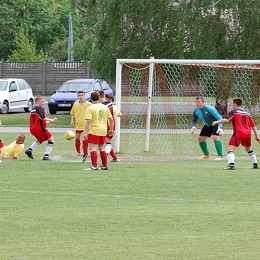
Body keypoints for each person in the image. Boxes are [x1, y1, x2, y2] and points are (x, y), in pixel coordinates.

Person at [212, 97, 260, 170]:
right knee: (249, 149)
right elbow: (253, 125)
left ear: (235, 104)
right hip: (247, 133)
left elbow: (227, 120)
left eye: (232, 104)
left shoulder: (234, 112)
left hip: (239, 133)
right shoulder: (247, 114)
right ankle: (255, 164)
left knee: (230, 149)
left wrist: (217, 122)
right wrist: (257, 136)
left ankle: (231, 165)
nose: (232, 105)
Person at [84, 91, 114, 170]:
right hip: (103, 130)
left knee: (93, 148)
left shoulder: (90, 108)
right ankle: (104, 166)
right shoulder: (105, 107)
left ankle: (94, 166)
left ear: (90, 98)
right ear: (99, 98)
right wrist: (111, 129)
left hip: (94, 130)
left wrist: (86, 132)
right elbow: (111, 119)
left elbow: (88, 121)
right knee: (102, 148)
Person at [25, 95, 57, 160]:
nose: (43, 103)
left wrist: (49, 122)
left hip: (32, 129)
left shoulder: (33, 109)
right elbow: (42, 118)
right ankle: (46, 156)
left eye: (44, 101)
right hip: (39, 129)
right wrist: (50, 119)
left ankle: (29, 150)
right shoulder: (39, 108)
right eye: (42, 101)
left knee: (40, 139)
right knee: (51, 139)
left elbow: (39, 121)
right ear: (37, 102)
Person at [70, 91, 92, 161]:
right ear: (77, 96)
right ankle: (78, 152)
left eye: (82, 95)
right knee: (77, 138)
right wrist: (72, 120)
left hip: (86, 124)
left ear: (84, 96)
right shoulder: (75, 104)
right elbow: (72, 113)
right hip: (78, 124)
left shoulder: (89, 104)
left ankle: (86, 153)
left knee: (85, 138)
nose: (81, 97)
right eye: (79, 95)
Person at [105, 94, 122, 162]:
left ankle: (106, 155)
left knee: (106, 142)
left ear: (109, 100)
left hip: (107, 124)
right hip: (113, 124)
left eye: (106, 99)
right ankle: (115, 158)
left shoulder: (108, 107)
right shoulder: (115, 107)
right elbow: (120, 115)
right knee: (107, 142)